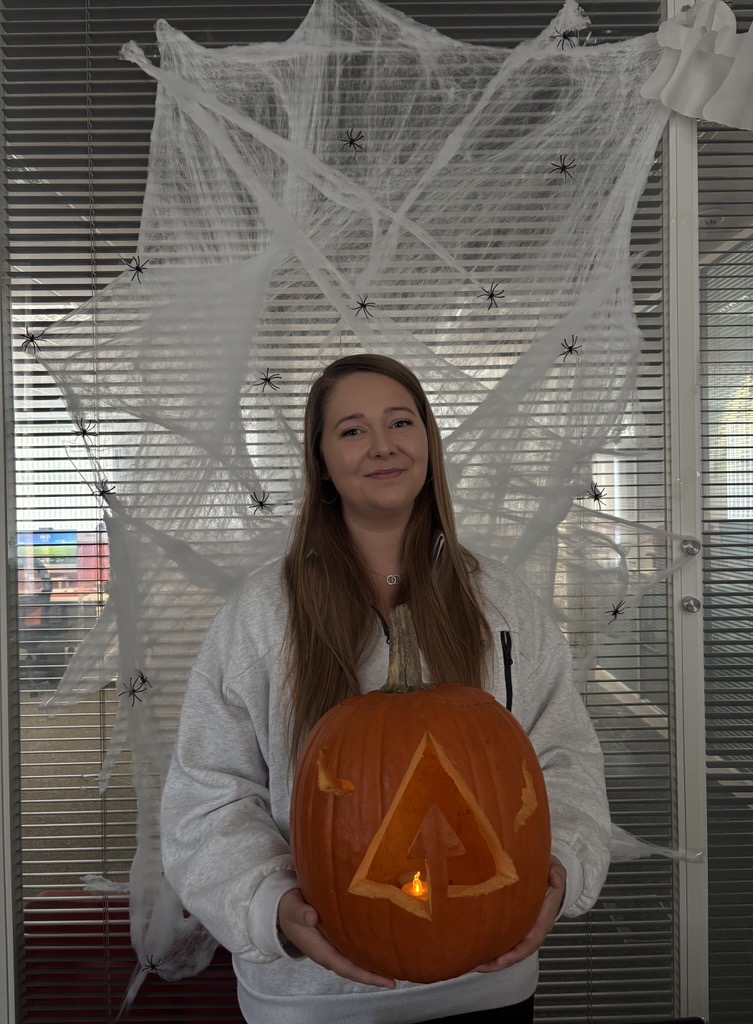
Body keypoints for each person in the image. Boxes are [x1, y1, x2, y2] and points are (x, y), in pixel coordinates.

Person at [161, 353, 611, 1024]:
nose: (382, 445)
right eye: (352, 430)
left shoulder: (503, 603)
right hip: (311, 1003)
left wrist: (562, 869)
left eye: (400, 422)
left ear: (427, 440)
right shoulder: (259, 615)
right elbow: (208, 793)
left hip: (488, 987)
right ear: (321, 461)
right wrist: (271, 907)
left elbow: (565, 760)